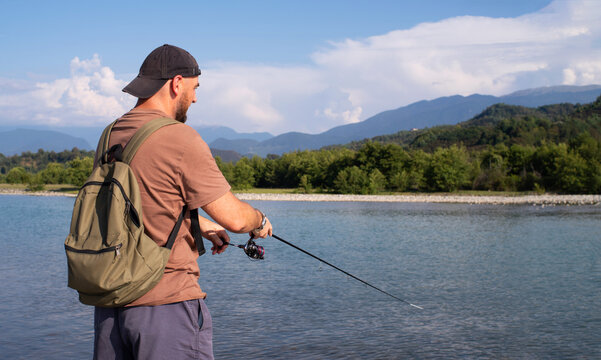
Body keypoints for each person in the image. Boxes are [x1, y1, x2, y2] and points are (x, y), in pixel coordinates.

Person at [93, 44, 273, 360]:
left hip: (110, 307)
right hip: (165, 305)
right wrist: (259, 220)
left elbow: (131, 203)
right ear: (177, 83)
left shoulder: (111, 134)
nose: (195, 98)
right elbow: (235, 219)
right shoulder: (179, 137)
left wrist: (198, 223)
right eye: (194, 88)